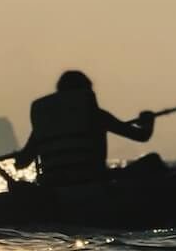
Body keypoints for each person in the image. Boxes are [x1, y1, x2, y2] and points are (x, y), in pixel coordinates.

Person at [14, 70, 164, 187]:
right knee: (153, 161)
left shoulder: (45, 125)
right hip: (91, 180)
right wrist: (148, 121)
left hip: (53, 183)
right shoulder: (96, 115)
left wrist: (19, 156)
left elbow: (21, 164)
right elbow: (141, 136)